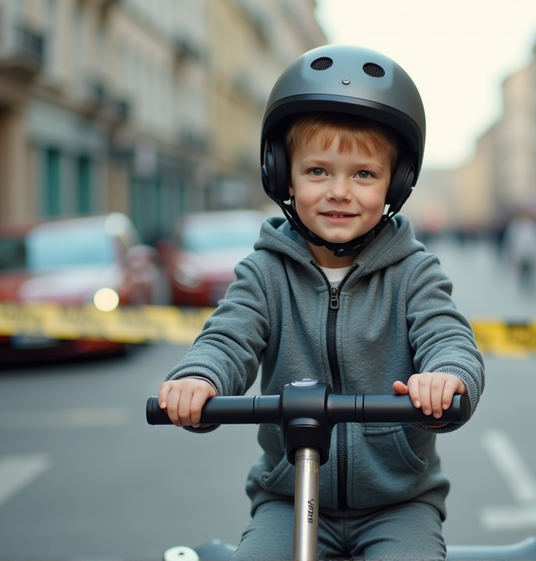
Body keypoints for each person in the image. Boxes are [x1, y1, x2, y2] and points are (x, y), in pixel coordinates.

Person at [156, 45, 484, 560]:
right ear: (282, 174)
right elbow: (228, 337)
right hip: (287, 499)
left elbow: (448, 336)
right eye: (317, 172)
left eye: (364, 174)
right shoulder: (264, 272)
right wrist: (200, 378)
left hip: (398, 503)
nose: (339, 192)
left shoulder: (413, 271)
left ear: (397, 183)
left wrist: (447, 376)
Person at [504, 208, 536, 293]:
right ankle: (521, 282)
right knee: (521, 269)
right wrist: (509, 252)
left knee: (532, 269)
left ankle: (531, 284)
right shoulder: (516, 226)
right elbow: (510, 239)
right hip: (519, 251)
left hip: (533, 252)